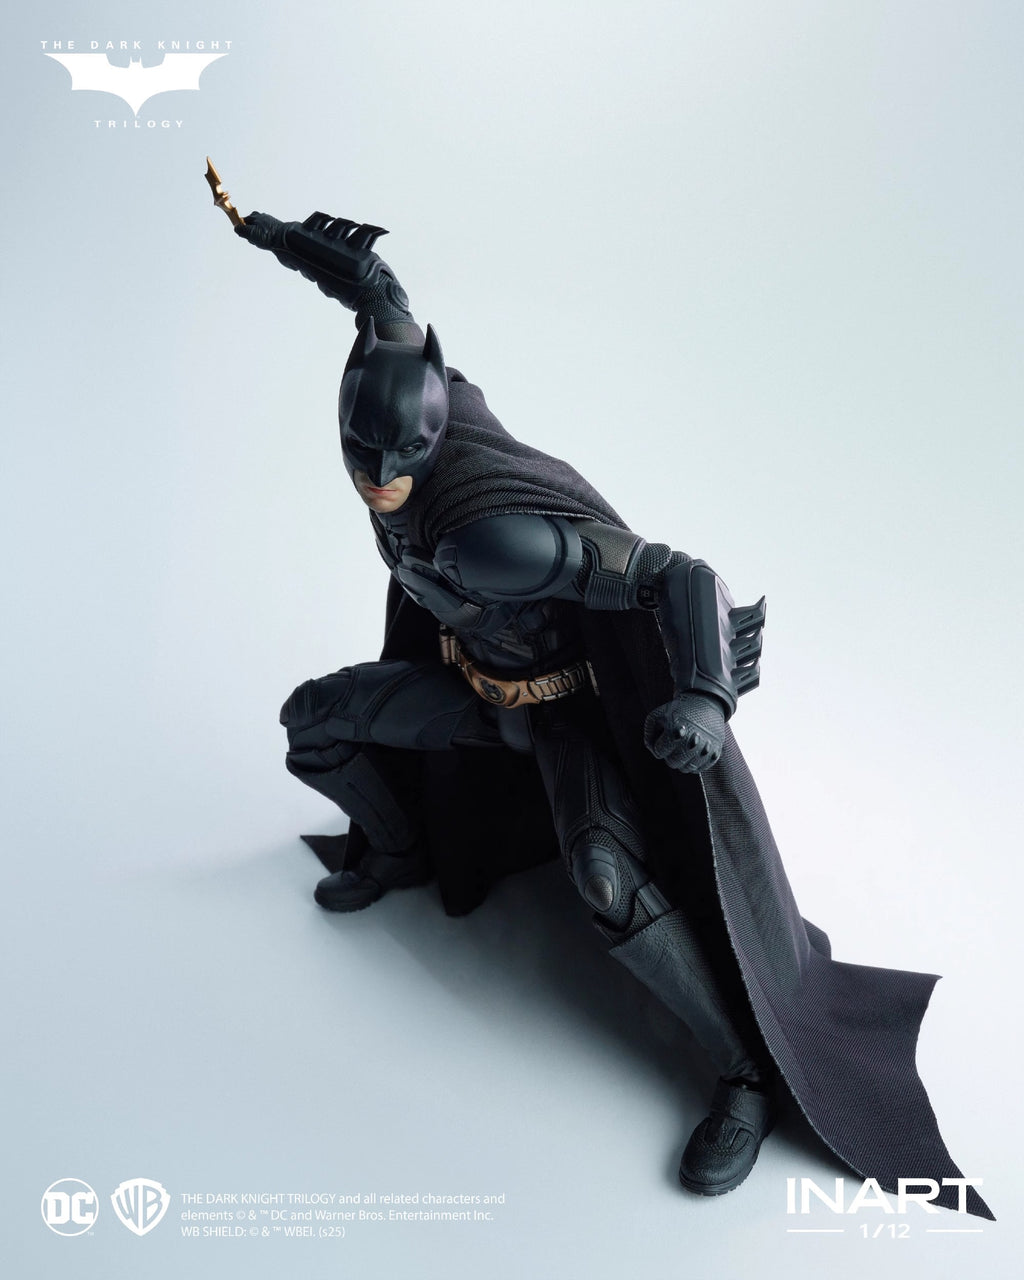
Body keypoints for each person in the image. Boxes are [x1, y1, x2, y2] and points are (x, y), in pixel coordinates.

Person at [233, 209, 991, 1216]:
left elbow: (674, 573)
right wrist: (271, 232)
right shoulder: (402, 381)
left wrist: (704, 696)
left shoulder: (494, 540)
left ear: (431, 435)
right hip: (468, 690)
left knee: (604, 875)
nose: (377, 482)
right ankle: (403, 847)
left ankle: (745, 1073)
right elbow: (377, 291)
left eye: (396, 460)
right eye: (360, 456)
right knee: (315, 724)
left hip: (565, 713)